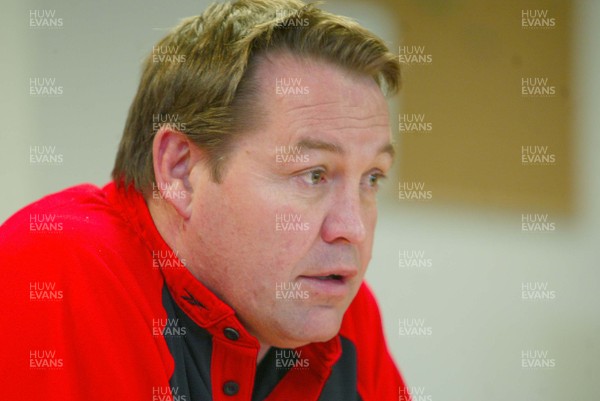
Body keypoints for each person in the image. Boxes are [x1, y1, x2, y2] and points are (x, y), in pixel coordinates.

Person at [0, 0, 408, 399]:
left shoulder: (340, 314)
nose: (352, 229)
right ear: (181, 172)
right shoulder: (57, 272)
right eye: (313, 174)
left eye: (372, 178)